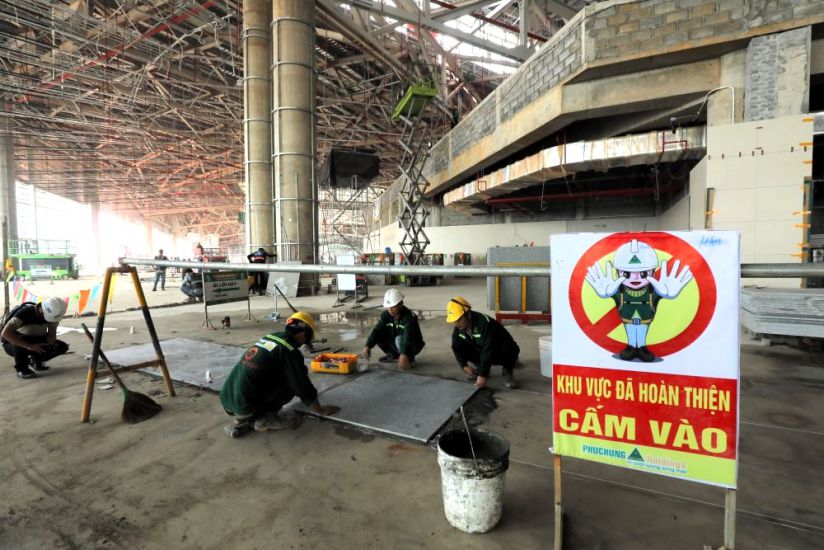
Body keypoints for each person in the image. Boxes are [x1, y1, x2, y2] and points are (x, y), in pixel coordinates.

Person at [220, 311, 339, 438]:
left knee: (275, 375)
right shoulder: (289, 351)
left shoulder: (271, 337)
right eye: (307, 340)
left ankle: (243, 418)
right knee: (292, 379)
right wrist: (320, 410)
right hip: (245, 404)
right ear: (303, 334)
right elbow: (301, 385)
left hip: (227, 398)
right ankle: (264, 419)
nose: (305, 343)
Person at [446, 296, 519, 389]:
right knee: (462, 347)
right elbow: (456, 347)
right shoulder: (460, 327)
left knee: (509, 351)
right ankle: (482, 368)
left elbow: (488, 349)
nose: (456, 323)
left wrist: (482, 376)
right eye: (454, 321)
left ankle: (507, 369)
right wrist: (464, 366)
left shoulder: (484, 324)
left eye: (459, 319)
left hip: (500, 349)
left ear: (468, 314)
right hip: (483, 348)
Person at [1, 297, 69, 379]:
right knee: (20, 345)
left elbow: (52, 333)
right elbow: (5, 333)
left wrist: (49, 344)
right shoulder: (24, 313)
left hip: (37, 340)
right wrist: (28, 346)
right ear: (42, 310)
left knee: (61, 347)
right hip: (15, 343)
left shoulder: (54, 315)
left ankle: (36, 361)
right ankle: (22, 369)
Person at [362, 289, 425, 370]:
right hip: (397, 341)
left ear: (401, 304)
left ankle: (409, 359)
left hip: (413, 344)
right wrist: (368, 345)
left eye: (393, 306)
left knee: (399, 339)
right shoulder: (385, 315)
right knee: (379, 336)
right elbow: (377, 330)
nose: (390, 309)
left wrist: (403, 354)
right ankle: (394, 356)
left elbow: (407, 336)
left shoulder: (409, 317)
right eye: (388, 307)